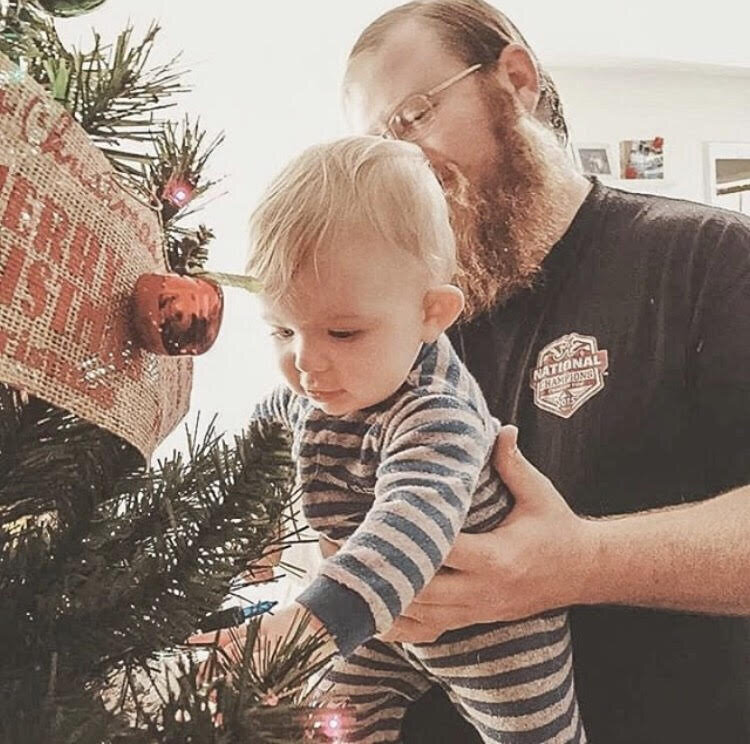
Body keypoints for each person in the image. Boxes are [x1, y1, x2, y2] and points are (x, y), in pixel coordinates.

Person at [338, 1, 750, 742]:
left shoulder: (711, 257)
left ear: (516, 78)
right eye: (378, 147)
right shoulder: (410, 322)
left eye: (413, 118)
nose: (402, 166)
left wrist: (582, 563)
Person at [211, 135, 586, 742]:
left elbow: (407, 526)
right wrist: (254, 529)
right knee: (328, 723)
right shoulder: (309, 395)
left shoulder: (438, 414)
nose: (306, 363)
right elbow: (255, 458)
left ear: (431, 314)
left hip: (494, 630)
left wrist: (300, 627)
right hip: (378, 625)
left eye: (343, 331)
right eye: (282, 329)